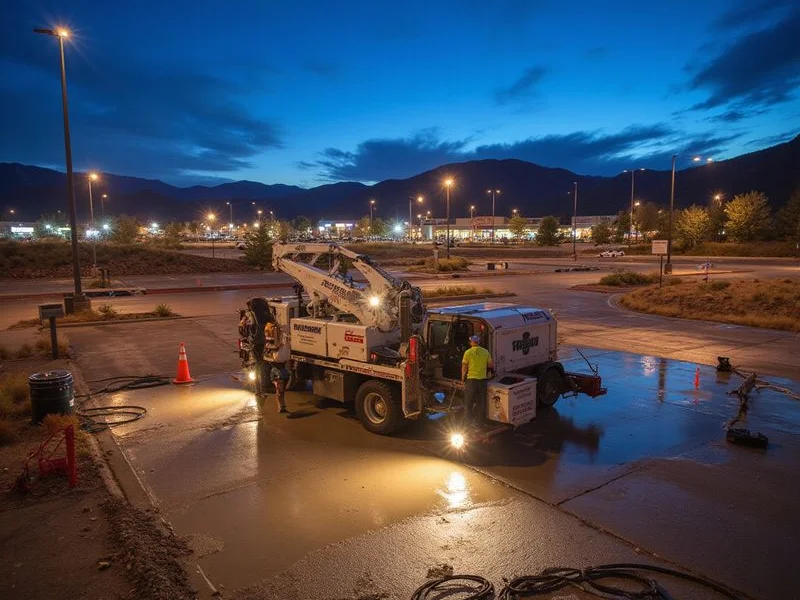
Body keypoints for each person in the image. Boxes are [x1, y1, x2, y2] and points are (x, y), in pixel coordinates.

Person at [461, 334, 494, 426]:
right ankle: (480, 423)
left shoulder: (468, 352)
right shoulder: (485, 352)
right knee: (481, 403)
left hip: (471, 380)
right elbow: (491, 365)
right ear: (478, 342)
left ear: (472, 342)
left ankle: (467, 422)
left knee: (469, 402)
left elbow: (464, 366)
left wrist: (463, 377)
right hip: (482, 381)